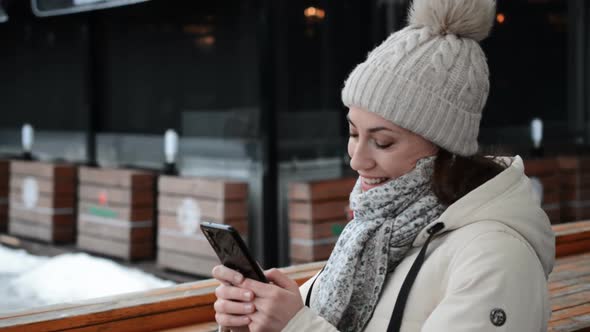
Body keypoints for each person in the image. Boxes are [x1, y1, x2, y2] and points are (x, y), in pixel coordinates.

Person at [211, 0, 556, 330]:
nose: (357, 159)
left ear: (445, 148)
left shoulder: (497, 258)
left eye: (383, 141)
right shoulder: (370, 237)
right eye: (352, 132)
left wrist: (295, 326)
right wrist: (254, 320)